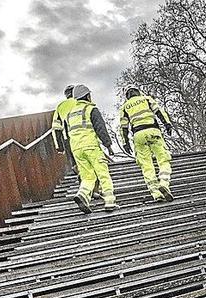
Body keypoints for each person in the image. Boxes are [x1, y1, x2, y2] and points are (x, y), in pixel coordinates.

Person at [66, 84, 116, 213]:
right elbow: (100, 128)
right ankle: (110, 201)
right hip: (91, 146)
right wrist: (108, 145)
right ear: (87, 96)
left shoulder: (70, 114)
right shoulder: (91, 109)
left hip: (76, 148)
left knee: (87, 176)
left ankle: (82, 195)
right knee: (103, 173)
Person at [119, 86, 174, 202]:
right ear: (137, 92)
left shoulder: (125, 107)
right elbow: (159, 112)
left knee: (146, 165)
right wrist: (167, 124)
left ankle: (156, 193)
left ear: (127, 96)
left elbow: (123, 126)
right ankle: (164, 182)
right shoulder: (146, 99)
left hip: (138, 135)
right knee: (163, 159)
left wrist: (126, 143)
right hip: (153, 131)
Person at [51, 85, 77, 172]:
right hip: (86, 136)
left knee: (75, 162)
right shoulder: (81, 102)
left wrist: (60, 146)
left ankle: (81, 177)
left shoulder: (60, 106)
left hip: (69, 139)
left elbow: (56, 128)